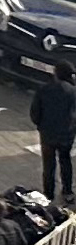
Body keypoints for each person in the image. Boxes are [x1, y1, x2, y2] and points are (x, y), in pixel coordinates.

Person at [36, 69, 76, 204]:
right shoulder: (73, 92)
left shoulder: (44, 89)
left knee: (48, 165)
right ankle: (67, 191)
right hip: (66, 136)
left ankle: (48, 193)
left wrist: (40, 125)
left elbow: (35, 111)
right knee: (65, 162)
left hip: (47, 135)